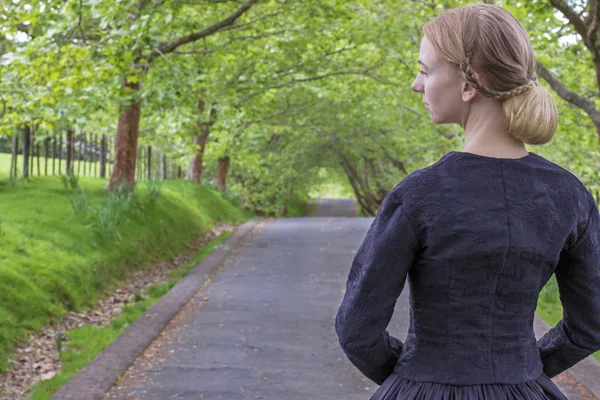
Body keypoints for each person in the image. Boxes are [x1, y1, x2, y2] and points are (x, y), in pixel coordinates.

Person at [334, 3, 600, 400]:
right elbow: (592, 323)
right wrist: (523, 370)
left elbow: (357, 331)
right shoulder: (569, 196)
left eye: (424, 70)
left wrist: (415, 377)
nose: (416, 84)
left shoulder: (420, 196)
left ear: (469, 84)